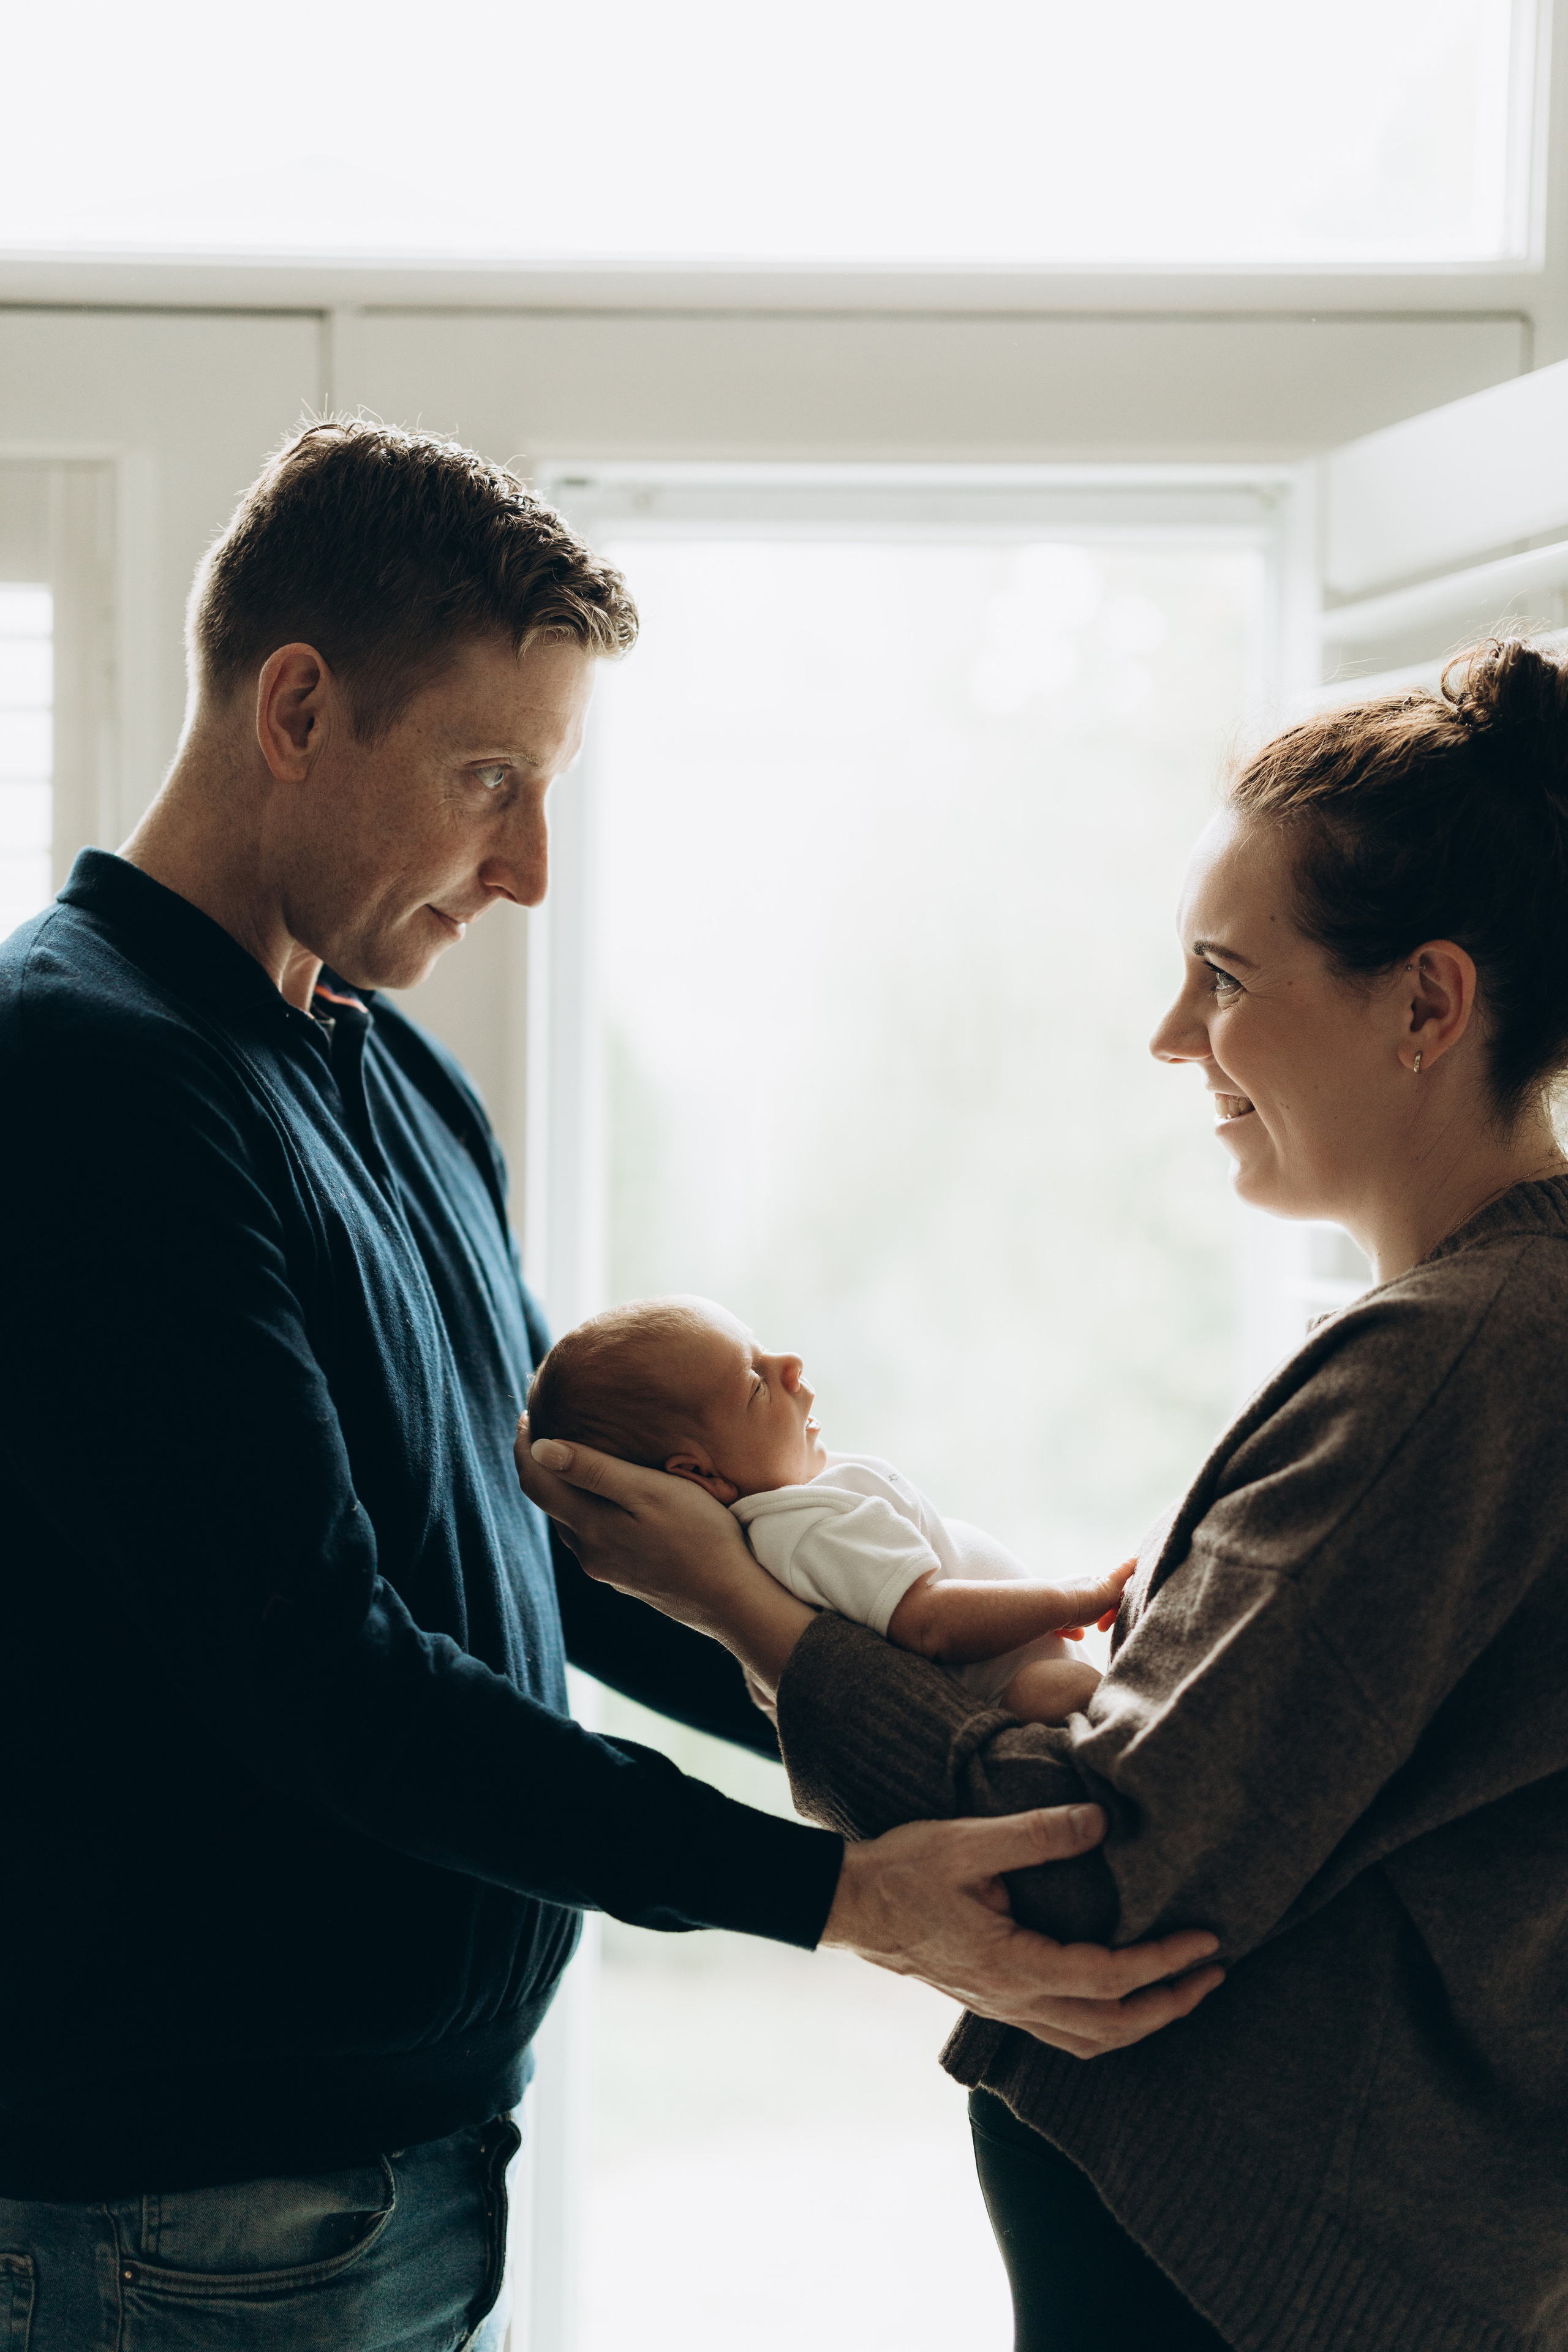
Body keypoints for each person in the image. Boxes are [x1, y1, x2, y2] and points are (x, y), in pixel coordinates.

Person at [0, 417, 1220, 2352]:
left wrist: (934, 1716)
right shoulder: (81, 1082)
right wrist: (830, 1893)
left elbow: (551, 1542)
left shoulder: (394, 1081)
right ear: (297, 707)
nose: (531, 869)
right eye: (491, 777)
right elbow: (318, 1667)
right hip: (190, 2212)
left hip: (405, 2163)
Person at [521, 636, 1568, 2352]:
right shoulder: (1479, 1337)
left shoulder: (1458, 1362)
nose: (1174, 1037)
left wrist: (752, 1611)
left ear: (1428, 1004)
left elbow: (1086, 1876)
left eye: (1224, 976)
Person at [527, 1292, 1125, 1718]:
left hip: (1021, 1666)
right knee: (1069, 1693)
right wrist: (1074, 1595)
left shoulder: (802, 1504)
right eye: (757, 1382)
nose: (791, 1366)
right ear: (699, 1473)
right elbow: (930, 1623)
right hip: (1011, 1696)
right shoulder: (800, 1530)